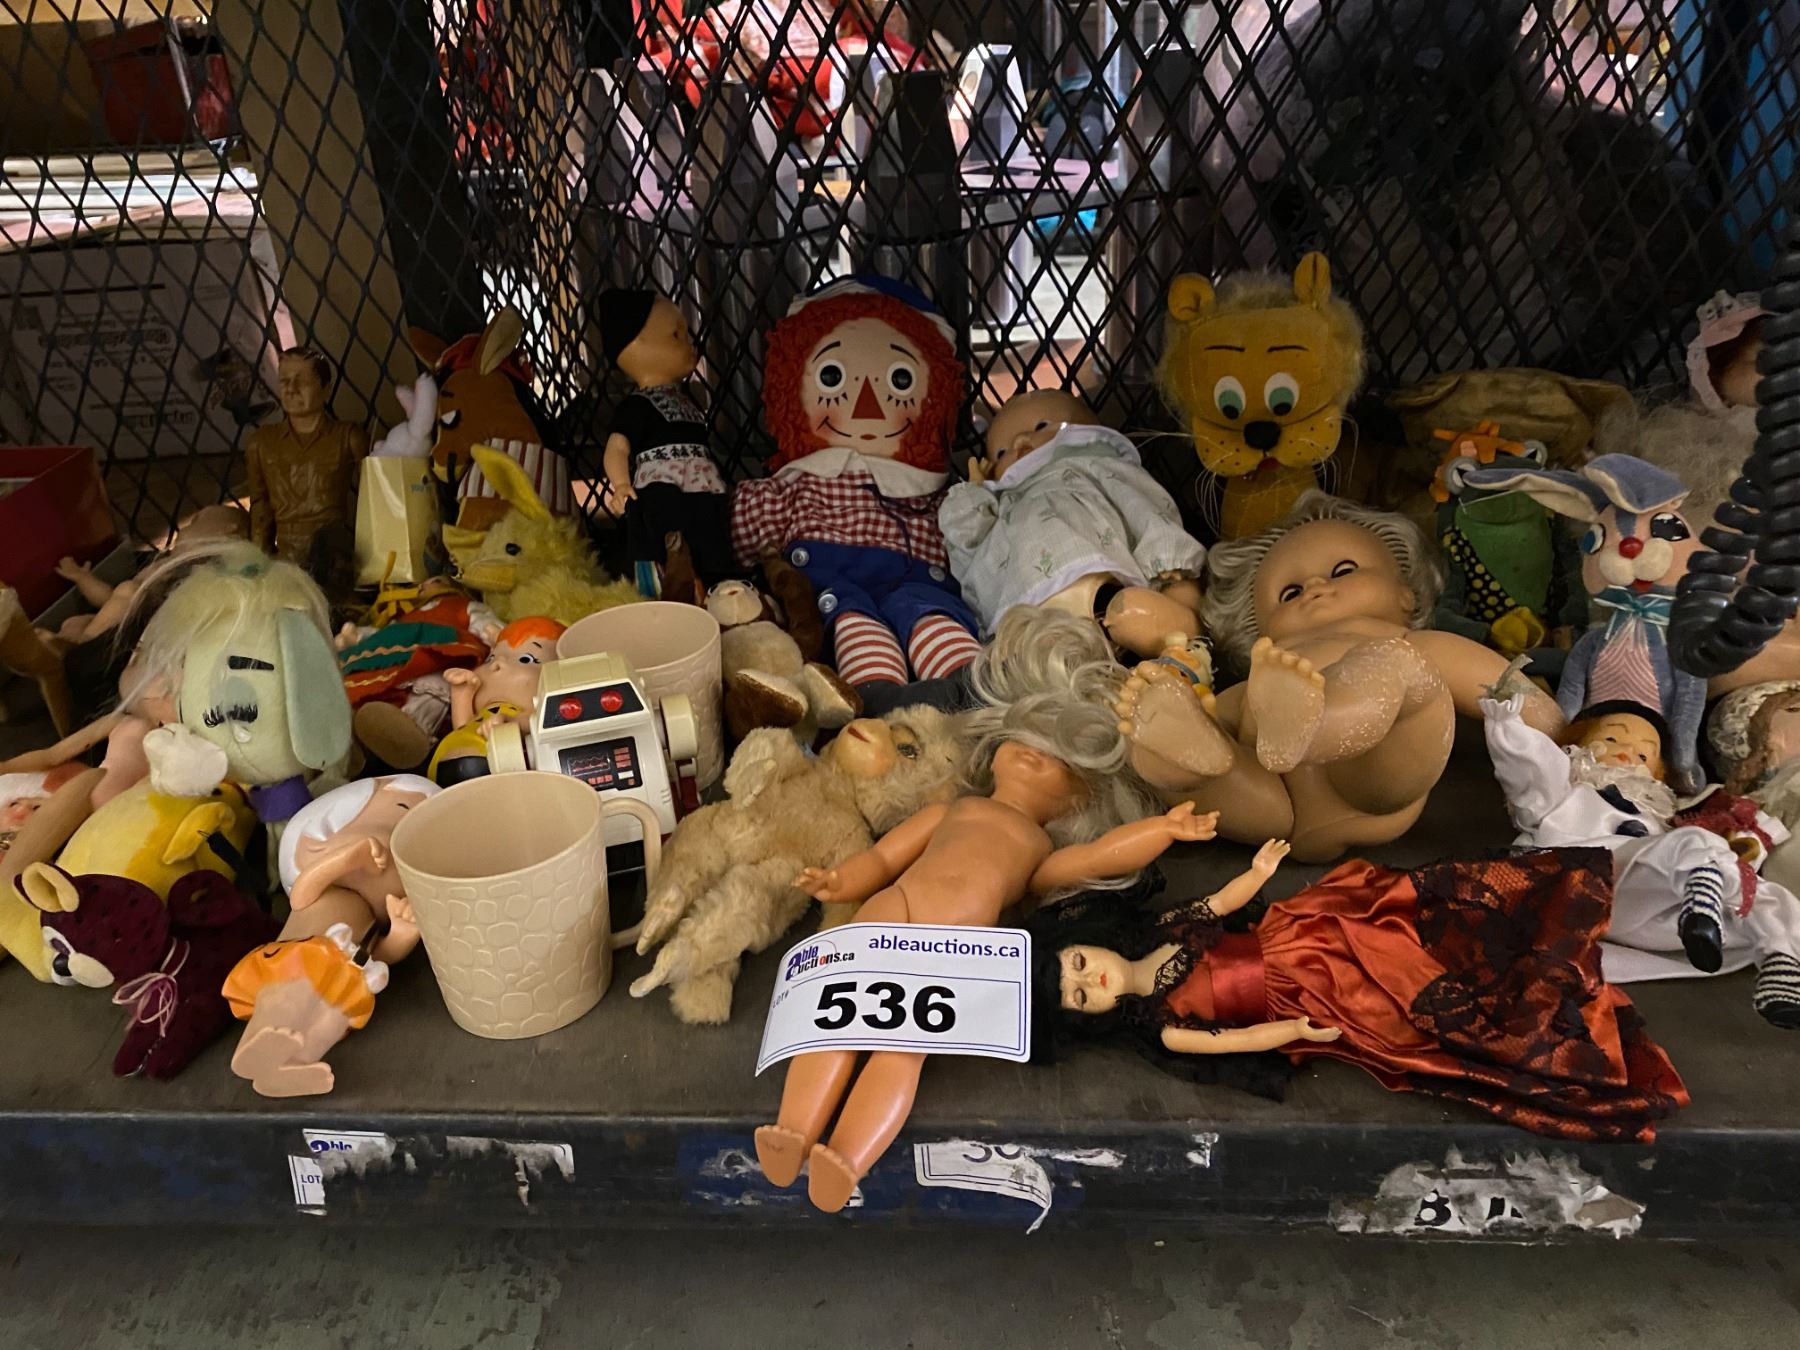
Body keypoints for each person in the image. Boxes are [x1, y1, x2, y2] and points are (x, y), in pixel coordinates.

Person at [1030, 844, 1689, 1143]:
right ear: (1093, 1017)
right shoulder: (1163, 1024)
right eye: (1081, 996)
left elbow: (1216, 905)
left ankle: (1543, 926)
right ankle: (1545, 1008)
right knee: (1409, 1016)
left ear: (1090, 940)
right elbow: (1237, 1040)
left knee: (1396, 930)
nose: (1091, 980)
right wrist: (1297, 1033)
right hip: (1303, 1000)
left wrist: (1258, 871)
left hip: (1297, 943)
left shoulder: (1163, 932)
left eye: (1079, 964)